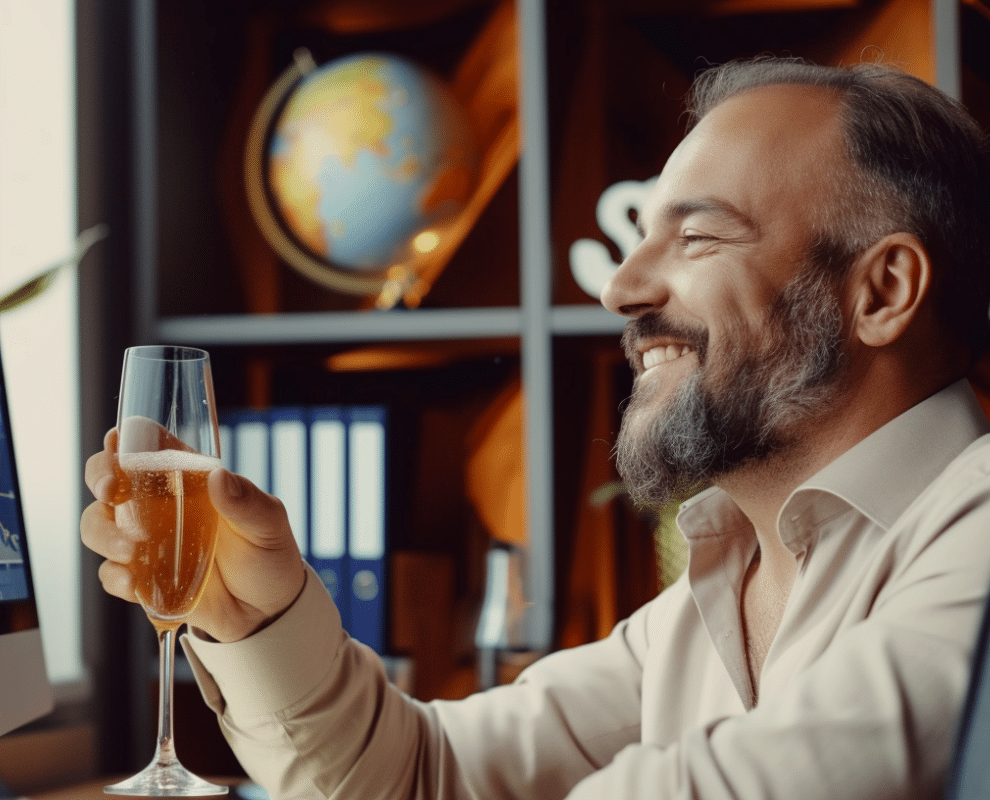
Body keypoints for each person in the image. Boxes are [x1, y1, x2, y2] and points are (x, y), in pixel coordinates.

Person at [81, 57, 990, 799]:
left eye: (699, 238)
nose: (619, 289)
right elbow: (418, 777)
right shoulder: (709, 595)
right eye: (638, 236)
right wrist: (255, 616)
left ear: (883, 292)